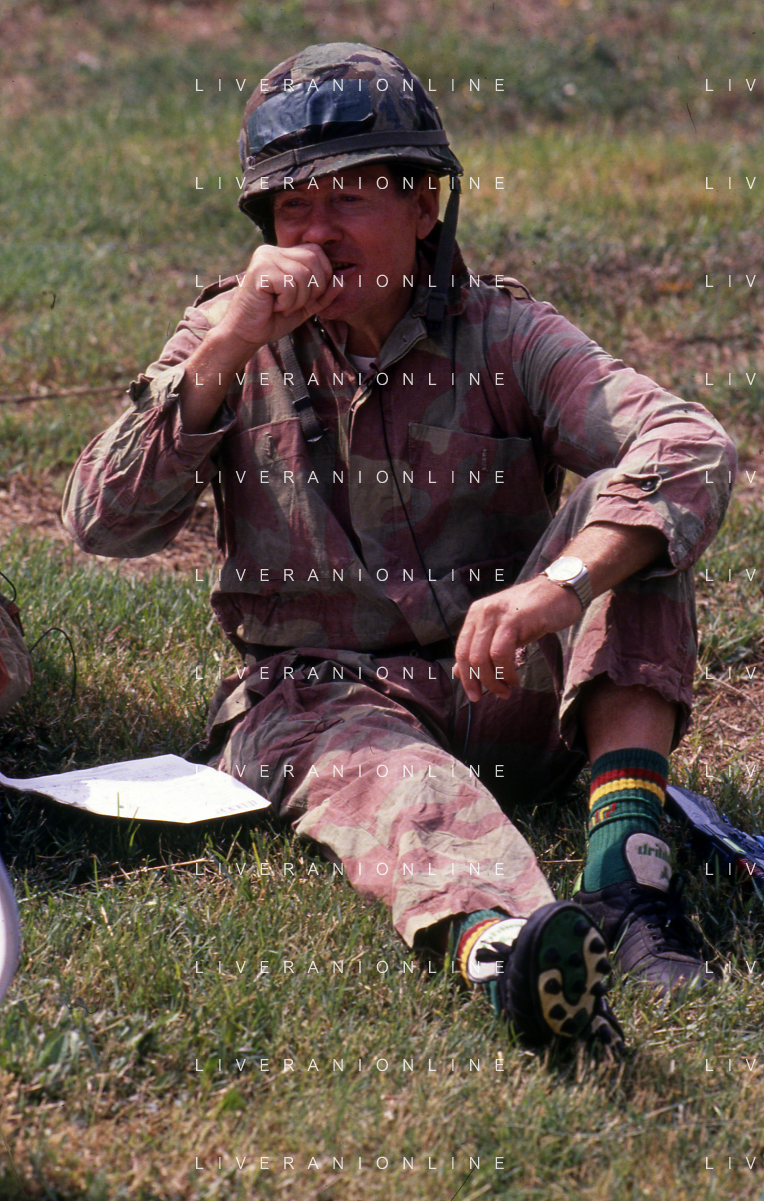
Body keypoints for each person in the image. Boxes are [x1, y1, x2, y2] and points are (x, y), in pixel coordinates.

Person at [62, 43, 736, 1051]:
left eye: (350, 199)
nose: (317, 233)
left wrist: (559, 585)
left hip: (501, 679)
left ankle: (628, 877)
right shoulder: (227, 336)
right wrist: (226, 348)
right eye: (292, 208)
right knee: (398, 783)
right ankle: (505, 949)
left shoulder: (505, 334)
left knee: (632, 516)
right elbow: (101, 522)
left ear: (424, 205)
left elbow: (690, 444)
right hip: (321, 699)